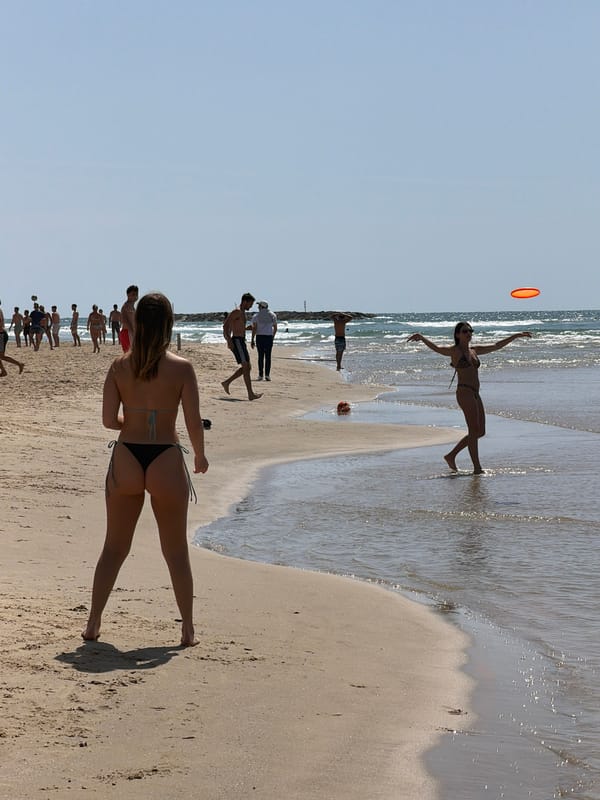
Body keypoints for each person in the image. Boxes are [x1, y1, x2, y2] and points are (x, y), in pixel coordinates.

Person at [82, 292, 209, 646]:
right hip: (165, 455)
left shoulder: (120, 366)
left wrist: (133, 420)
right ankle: (187, 629)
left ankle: (93, 623)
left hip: (127, 456)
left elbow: (109, 420)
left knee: (114, 547)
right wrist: (199, 456)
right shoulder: (181, 368)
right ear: (168, 323)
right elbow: (194, 422)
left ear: (137, 322)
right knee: (176, 551)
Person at [407, 323, 532, 474]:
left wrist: (516, 336)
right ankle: (477, 468)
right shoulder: (454, 351)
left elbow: (497, 345)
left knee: (480, 432)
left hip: (475, 393)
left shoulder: (475, 351)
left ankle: (451, 455)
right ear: (458, 334)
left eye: (470, 331)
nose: (469, 333)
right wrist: (422, 338)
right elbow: (437, 349)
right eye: (465, 331)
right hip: (464, 392)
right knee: (473, 430)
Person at [221, 292, 262, 400]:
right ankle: (250, 394)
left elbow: (238, 327)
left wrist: (247, 329)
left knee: (247, 367)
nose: (251, 306)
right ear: (245, 302)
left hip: (241, 341)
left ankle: (227, 382)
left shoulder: (243, 313)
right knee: (245, 367)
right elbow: (225, 326)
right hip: (237, 341)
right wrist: (228, 340)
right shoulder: (237, 311)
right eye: (250, 304)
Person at [250, 300, 277, 381]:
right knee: (268, 357)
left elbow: (254, 328)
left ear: (262, 306)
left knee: (260, 356)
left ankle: (260, 375)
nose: (258, 307)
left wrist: (252, 339)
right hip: (269, 337)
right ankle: (267, 375)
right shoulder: (272, 315)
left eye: (259, 306)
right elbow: (275, 328)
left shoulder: (256, 316)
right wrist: (273, 337)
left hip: (260, 337)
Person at [0, 302, 24, 376]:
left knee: (1, 356)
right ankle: (3, 371)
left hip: (1, 335)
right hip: (1, 334)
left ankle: (19, 364)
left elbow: (0, 322)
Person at [120, 285, 139, 353]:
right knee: (129, 356)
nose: (135, 296)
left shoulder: (133, 307)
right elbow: (124, 321)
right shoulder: (126, 307)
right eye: (133, 294)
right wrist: (132, 331)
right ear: (128, 295)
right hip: (127, 333)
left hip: (131, 333)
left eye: (136, 294)